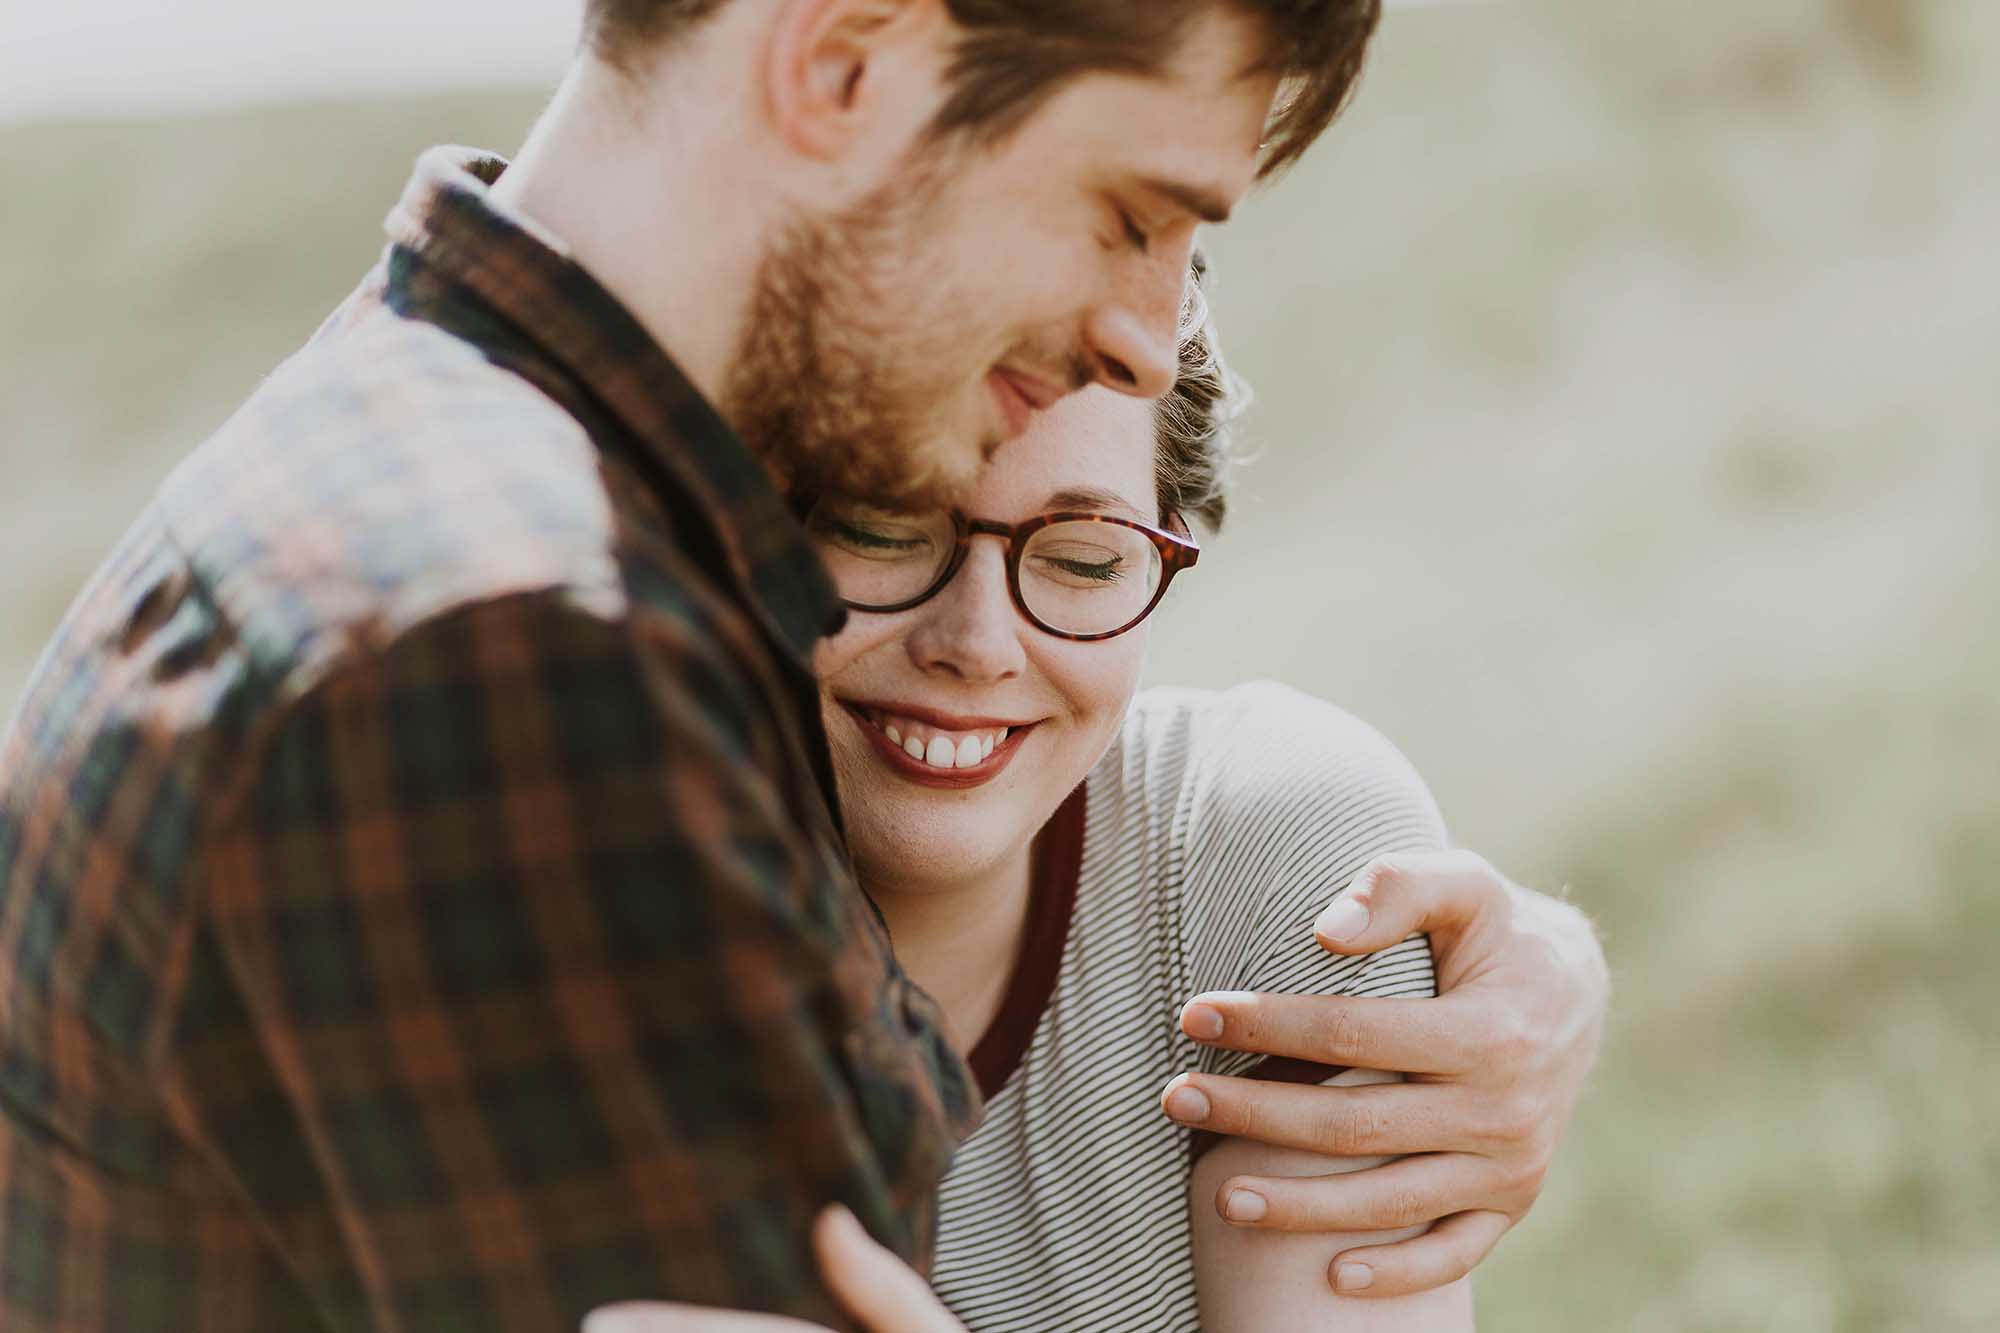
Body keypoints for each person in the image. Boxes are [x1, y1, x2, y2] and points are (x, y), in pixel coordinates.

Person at [0, 2, 1603, 1329]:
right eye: (1130, 214)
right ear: (844, 63)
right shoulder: (515, 655)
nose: (1143, 330)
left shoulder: (408, 481)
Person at [590, 267, 1577, 1332]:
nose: (972, 644)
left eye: (1080, 558)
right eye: (880, 527)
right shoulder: (517, 899)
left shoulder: (1269, 851)